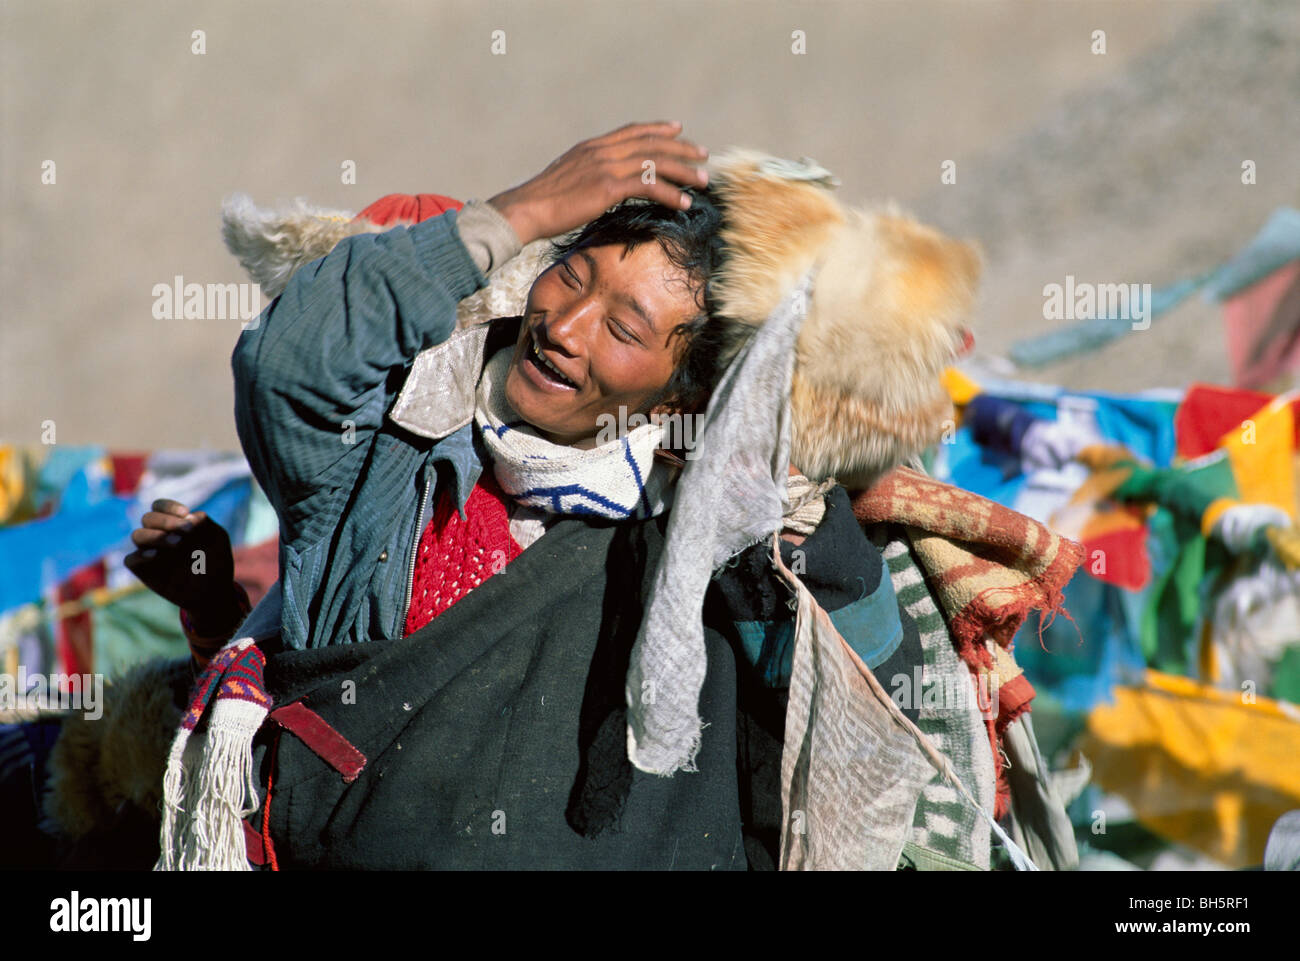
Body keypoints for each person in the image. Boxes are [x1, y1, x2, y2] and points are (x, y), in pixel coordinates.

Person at [133, 121, 922, 870]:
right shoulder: (387, 467)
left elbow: (862, 708)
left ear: (679, 403)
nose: (566, 326)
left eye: (624, 329)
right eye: (570, 274)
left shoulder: (721, 541)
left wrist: (794, 507)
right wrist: (522, 212)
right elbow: (289, 365)